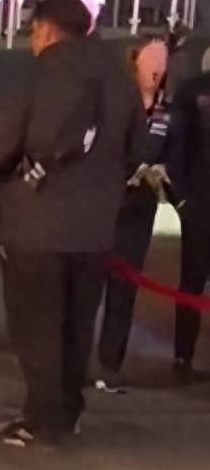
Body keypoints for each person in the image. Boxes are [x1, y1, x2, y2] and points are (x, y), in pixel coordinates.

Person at [0, 0, 145, 447]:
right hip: (95, 230)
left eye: (33, 32)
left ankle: (43, 418)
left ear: (47, 30)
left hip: (35, 226)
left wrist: (11, 175)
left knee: (37, 325)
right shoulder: (120, 79)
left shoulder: (37, 75)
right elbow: (138, 149)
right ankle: (68, 412)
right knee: (77, 324)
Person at [94, 39, 171, 393]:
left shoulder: (167, 113)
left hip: (140, 210)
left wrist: (164, 173)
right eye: (151, 61)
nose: (156, 69)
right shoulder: (115, 104)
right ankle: (71, 363)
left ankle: (110, 365)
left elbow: (174, 152)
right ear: (135, 62)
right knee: (88, 287)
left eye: (162, 63)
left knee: (124, 290)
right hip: (106, 206)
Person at [166, 48, 210, 380]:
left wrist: (181, 200)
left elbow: (176, 148)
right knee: (191, 282)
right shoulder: (192, 92)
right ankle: (182, 357)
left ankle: (183, 357)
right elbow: (177, 148)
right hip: (197, 203)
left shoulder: (190, 91)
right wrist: (181, 200)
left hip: (195, 202)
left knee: (191, 282)